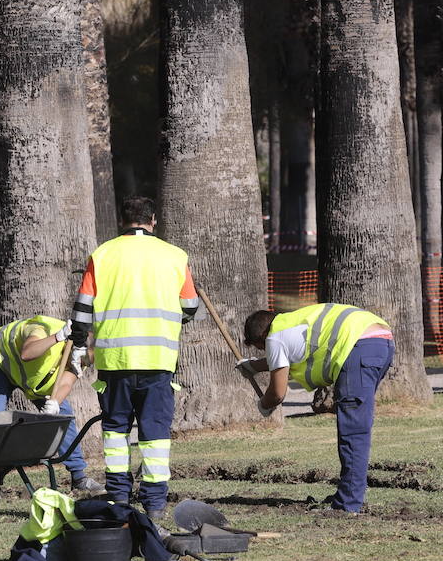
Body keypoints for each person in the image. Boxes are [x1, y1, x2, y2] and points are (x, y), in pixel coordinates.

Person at [71, 196, 199, 520]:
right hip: (159, 360)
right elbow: (190, 308)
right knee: (155, 433)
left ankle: (118, 499)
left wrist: (78, 345)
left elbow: (82, 310)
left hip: (115, 361)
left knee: (116, 431)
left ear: (121, 220)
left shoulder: (102, 255)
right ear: (153, 220)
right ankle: (154, 504)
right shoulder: (175, 256)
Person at [237, 303, 394, 514]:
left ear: (261, 338)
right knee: (357, 424)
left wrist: (264, 405)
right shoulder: (290, 324)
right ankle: (348, 494)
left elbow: (277, 393)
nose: (265, 351)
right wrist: (253, 366)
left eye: (261, 348)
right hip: (381, 340)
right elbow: (285, 356)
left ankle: (347, 505)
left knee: (353, 431)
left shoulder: (274, 338)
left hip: (358, 346)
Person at [0, 314, 104, 495]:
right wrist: (57, 337)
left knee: (63, 416)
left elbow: (66, 383)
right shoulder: (42, 329)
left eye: (85, 362)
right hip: (0, 361)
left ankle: (79, 477)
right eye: (82, 360)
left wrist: (55, 403)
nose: (81, 364)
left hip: (31, 379)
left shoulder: (81, 356)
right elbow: (26, 353)